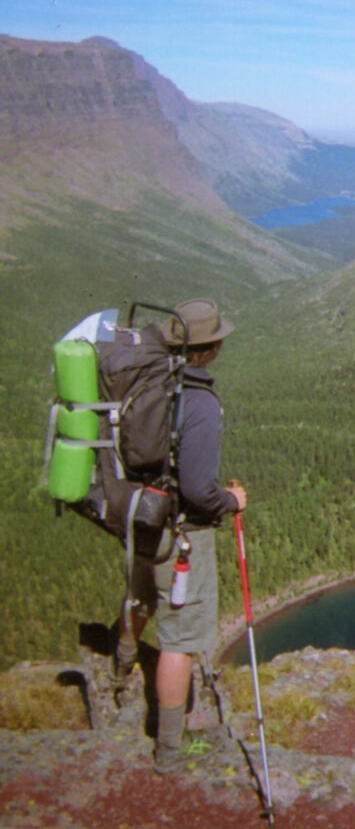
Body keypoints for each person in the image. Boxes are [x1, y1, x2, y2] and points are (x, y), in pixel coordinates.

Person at [111, 298, 247, 773]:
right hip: (181, 530)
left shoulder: (149, 381)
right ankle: (171, 749)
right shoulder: (199, 401)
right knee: (179, 639)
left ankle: (121, 666)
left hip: (141, 512)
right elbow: (197, 488)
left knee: (141, 591)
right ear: (210, 349)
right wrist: (232, 501)